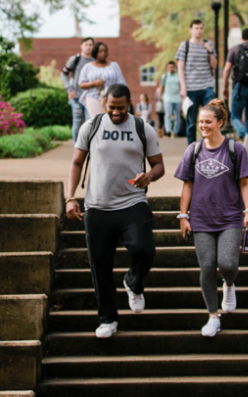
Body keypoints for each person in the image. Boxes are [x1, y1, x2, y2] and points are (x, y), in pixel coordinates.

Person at [65, 84, 165, 339]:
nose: (117, 113)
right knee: (100, 265)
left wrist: (149, 176)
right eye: (112, 108)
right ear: (104, 102)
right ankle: (107, 319)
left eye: (121, 108)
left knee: (145, 250)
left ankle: (133, 282)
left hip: (132, 203)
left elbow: (159, 165)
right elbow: (76, 162)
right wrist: (69, 198)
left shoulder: (143, 128)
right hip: (98, 207)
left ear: (129, 103)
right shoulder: (92, 126)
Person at [175, 99, 248, 338]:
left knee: (228, 264)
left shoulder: (235, 150)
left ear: (220, 122)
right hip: (201, 219)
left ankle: (229, 285)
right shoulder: (193, 150)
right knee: (207, 266)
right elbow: (187, 186)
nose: (203, 126)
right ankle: (213, 316)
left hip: (230, 217)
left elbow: (244, 182)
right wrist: (183, 215)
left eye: (208, 122)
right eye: (200, 122)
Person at [175, 20, 218, 144]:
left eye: (201, 28)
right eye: (196, 28)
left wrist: (210, 51)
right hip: (191, 89)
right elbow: (180, 68)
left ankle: (208, 146)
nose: (199, 30)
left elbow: (214, 66)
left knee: (210, 117)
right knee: (192, 122)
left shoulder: (208, 44)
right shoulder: (185, 46)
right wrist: (183, 88)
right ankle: (192, 150)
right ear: (191, 30)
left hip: (206, 87)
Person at [77, 42, 126, 118]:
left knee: (111, 120)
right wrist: (94, 83)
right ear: (95, 53)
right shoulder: (87, 67)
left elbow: (121, 83)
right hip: (92, 96)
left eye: (105, 51)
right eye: (101, 52)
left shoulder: (114, 66)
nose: (103, 53)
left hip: (111, 98)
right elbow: (81, 84)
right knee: (99, 119)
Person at [61, 37, 95, 143]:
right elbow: (64, 74)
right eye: (86, 45)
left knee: (91, 122)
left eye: (90, 45)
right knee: (77, 123)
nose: (88, 47)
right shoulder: (76, 59)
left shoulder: (95, 61)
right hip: (76, 97)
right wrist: (70, 89)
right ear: (81, 46)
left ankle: (89, 148)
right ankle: (77, 149)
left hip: (91, 97)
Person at [158, 61, 182, 137]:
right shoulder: (165, 76)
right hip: (167, 98)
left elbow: (181, 87)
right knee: (167, 115)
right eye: (170, 67)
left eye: (173, 67)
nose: (171, 68)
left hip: (177, 99)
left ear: (175, 68)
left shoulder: (178, 76)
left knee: (177, 116)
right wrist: (159, 96)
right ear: (167, 68)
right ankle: (168, 131)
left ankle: (175, 132)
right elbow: (161, 86)